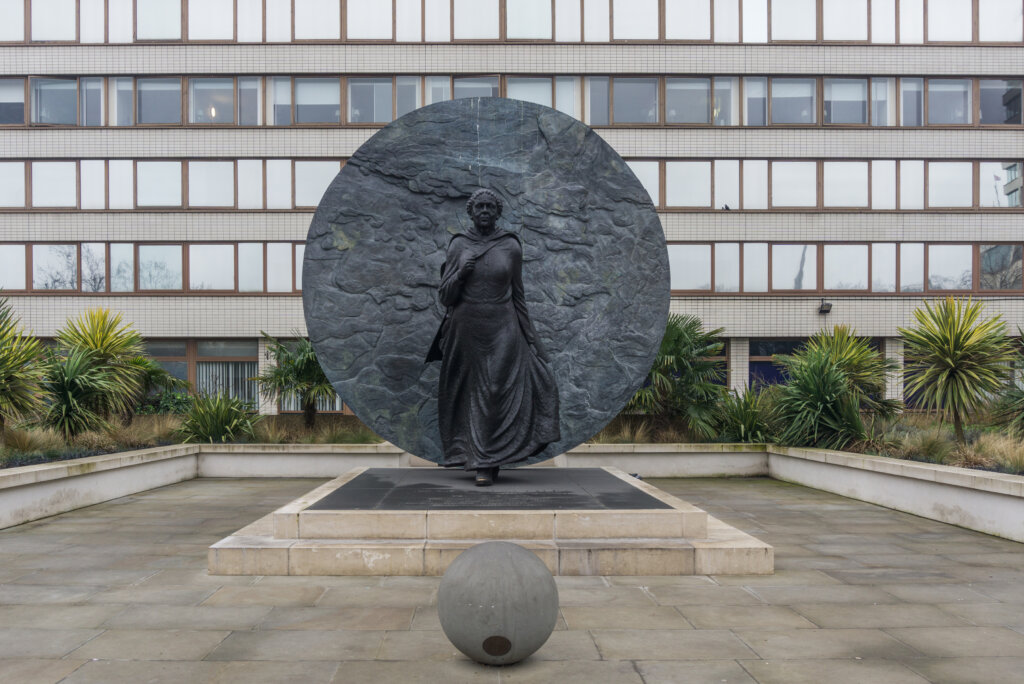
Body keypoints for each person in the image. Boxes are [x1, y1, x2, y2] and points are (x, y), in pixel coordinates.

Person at [426, 189, 560, 486]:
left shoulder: (510, 246)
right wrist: (460, 273)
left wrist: (534, 341)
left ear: (497, 212)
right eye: (479, 207)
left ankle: (488, 459)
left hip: (503, 328)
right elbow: (445, 298)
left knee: (496, 390)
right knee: (471, 393)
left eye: (490, 206)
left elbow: (519, 296)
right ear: (471, 212)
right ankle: (478, 460)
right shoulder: (459, 245)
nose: (484, 211)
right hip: (466, 330)